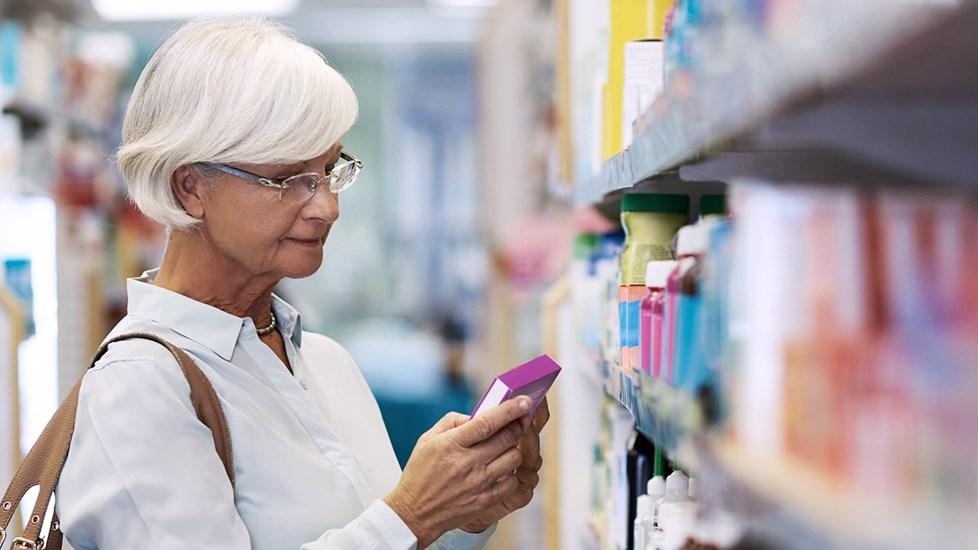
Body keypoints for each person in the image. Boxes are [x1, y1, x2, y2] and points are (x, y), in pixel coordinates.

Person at [55, 17, 549, 550]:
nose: (327, 207)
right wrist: (413, 513)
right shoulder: (139, 387)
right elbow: (395, 528)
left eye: (333, 171)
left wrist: (463, 510)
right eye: (290, 179)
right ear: (191, 187)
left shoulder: (326, 362)